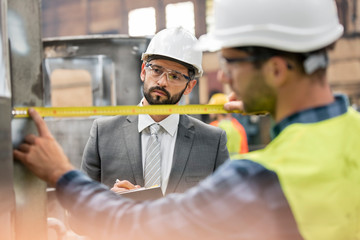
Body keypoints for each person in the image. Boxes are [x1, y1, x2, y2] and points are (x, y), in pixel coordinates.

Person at [13, 0, 360, 239]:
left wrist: (61, 173)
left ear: (276, 70)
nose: (224, 80)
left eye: (230, 63)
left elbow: (138, 225)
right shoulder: (353, 132)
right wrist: (277, 104)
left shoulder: (260, 179)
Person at [80, 26, 229, 195]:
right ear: (144, 71)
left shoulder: (212, 142)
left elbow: (226, 211)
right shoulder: (103, 134)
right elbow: (78, 206)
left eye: (175, 76)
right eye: (156, 70)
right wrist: (106, 201)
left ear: (190, 86)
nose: (162, 82)